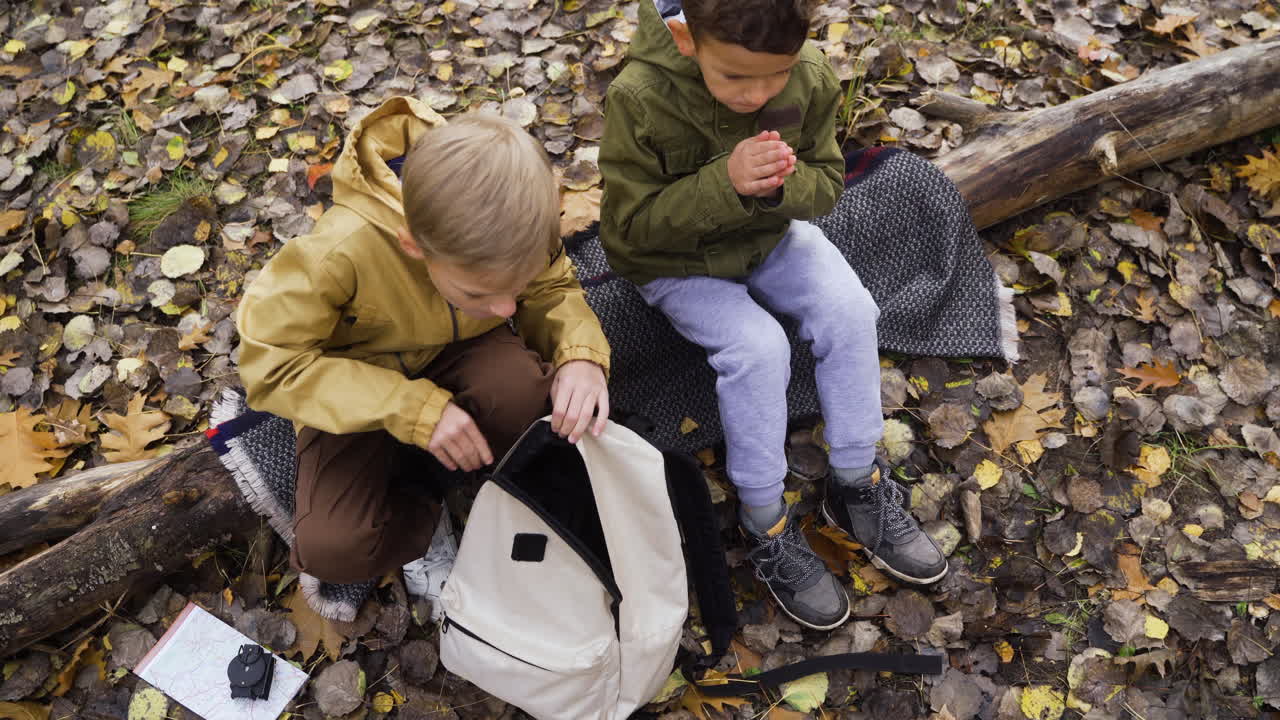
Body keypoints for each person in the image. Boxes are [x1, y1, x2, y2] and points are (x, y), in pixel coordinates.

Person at [598, 0, 946, 630]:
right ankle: (764, 517)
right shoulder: (640, 96)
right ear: (685, 39)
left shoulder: (808, 74)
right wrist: (722, 183)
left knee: (850, 310)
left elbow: (826, 179)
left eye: (774, 76)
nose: (758, 94)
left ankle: (855, 480)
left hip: (769, 236)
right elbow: (626, 234)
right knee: (759, 348)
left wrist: (784, 188)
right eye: (735, 77)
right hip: (679, 262)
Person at [235, 97, 611, 615]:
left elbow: (550, 288)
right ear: (414, 246)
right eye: (481, 293)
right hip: (356, 385)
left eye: (511, 288)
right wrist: (412, 411)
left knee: (523, 391)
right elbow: (270, 365)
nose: (506, 308)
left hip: (459, 349)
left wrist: (580, 355)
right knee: (335, 547)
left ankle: (464, 473)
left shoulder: (517, 211)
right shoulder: (338, 253)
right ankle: (422, 514)